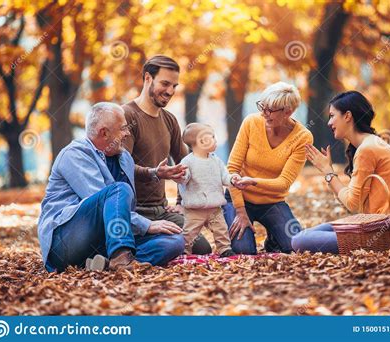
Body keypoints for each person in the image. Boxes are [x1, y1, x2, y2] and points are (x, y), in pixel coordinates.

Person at [38, 102, 185, 272]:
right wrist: (147, 225)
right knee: (119, 189)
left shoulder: (125, 159)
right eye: (123, 128)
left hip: (103, 242)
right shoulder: (74, 154)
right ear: (104, 132)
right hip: (64, 241)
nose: (127, 133)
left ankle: (105, 264)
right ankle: (121, 258)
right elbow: (104, 203)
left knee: (174, 241)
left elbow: (119, 213)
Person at [291, 91, 390, 254]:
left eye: (332, 116)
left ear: (347, 116)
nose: (329, 122)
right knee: (304, 235)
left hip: (385, 233)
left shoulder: (367, 150)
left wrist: (328, 171)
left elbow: (352, 203)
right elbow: (353, 199)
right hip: (375, 225)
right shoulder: (370, 144)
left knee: (299, 240)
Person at [122, 55, 211, 255]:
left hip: (162, 211)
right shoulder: (127, 115)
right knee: (174, 245)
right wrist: (155, 172)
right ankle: (124, 250)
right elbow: (121, 168)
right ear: (147, 78)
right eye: (165, 83)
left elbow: (186, 165)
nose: (170, 91)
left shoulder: (169, 120)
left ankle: (151, 245)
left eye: (174, 86)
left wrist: (181, 203)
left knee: (201, 248)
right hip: (134, 213)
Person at [222, 82, 313, 255]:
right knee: (245, 251)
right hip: (239, 198)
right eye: (262, 107)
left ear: (288, 112)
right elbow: (232, 168)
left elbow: (284, 183)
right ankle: (232, 216)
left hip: (272, 202)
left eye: (270, 110)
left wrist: (253, 182)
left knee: (297, 247)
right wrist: (240, 211)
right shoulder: (251, 122)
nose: (263, 113)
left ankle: (273, 239)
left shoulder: (302, 137)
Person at [178, 123, 238, 257]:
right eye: (212, 137)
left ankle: (224, 249)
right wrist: (180, 175)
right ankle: (184, 251)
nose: (216, 140)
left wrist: (233, 179)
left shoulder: (216, 160)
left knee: (221, 230)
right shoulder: (187, 161)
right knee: (189, 232)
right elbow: (184, 179)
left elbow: (225, 177)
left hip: (215, 207)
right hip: (195, 209)